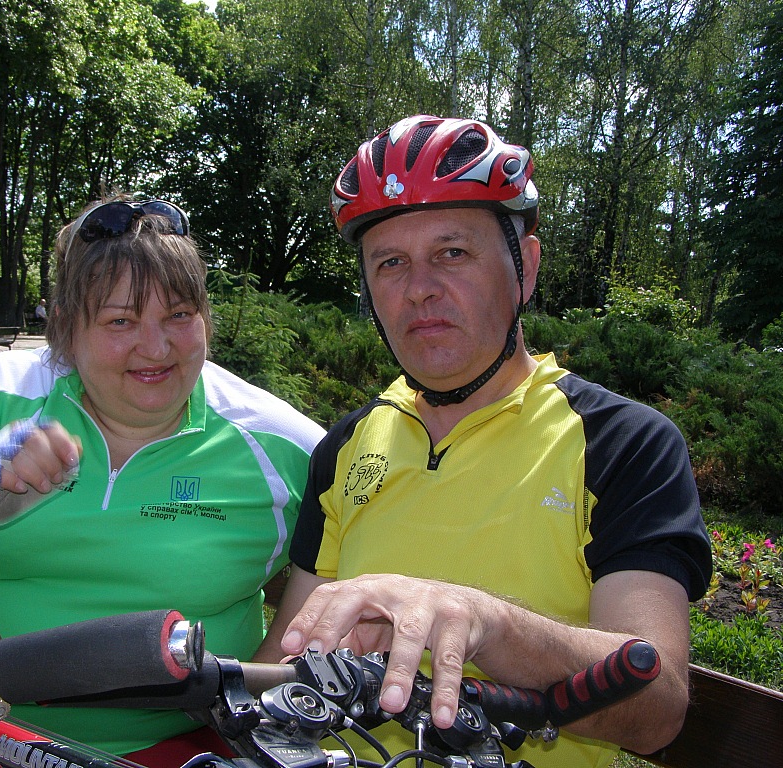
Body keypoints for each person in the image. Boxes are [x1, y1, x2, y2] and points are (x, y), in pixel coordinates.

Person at [255, 116, 712, 768]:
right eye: (390, 263)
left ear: (525, 267)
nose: (420, 289)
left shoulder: (621, 443)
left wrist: (486, 624)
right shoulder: (347, 445)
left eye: (452, 253)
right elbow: (285, 659)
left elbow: (657, 707)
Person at [0, 196, 325, 767]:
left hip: (180, 749)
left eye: (179, 315)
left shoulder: (281, 442)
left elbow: (326, 589)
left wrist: (250, 714)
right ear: (67, 328)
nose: (156, 348)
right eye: (120, 321)